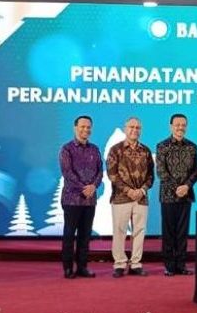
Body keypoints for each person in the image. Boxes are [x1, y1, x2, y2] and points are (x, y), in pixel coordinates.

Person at [106, 117, 154, 278]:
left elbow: (151, 176)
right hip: (121, 198)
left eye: (138, 127)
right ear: (125, 128)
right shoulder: (115, 150)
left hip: (141, 198)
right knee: (119, 231)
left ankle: (136, 264)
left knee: (139, 231)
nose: (135, 130)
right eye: (131, 127)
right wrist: (128, 190)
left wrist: (142, 190)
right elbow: (112, 174)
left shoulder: (146, 151)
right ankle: (119, 264)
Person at [59, 115, 103, 279]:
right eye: (82, 126)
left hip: (90, 200)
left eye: (88, 127)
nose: (86, 129)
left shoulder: (94, 149)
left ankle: (82, 267)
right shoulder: (67, 149)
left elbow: (100, 171)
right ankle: (68, 268)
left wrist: (93, 186)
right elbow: (67, 173)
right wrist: (83, 188)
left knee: (85, 235)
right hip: (72, 199)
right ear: (75, 128)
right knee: (69, 234)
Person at [156, 113, 197, 276]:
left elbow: (196, 171)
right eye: (177, 125)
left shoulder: (192, 146)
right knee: (169, 231)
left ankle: (181, 265)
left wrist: (186, 186)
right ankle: (169, 265)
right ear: (171, 126)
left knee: (182, 232)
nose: (180, 127)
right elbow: (161, 171)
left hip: (186, 195)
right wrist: (177, 187)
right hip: (168, 195)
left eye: (183, 125)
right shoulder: (162, 146)